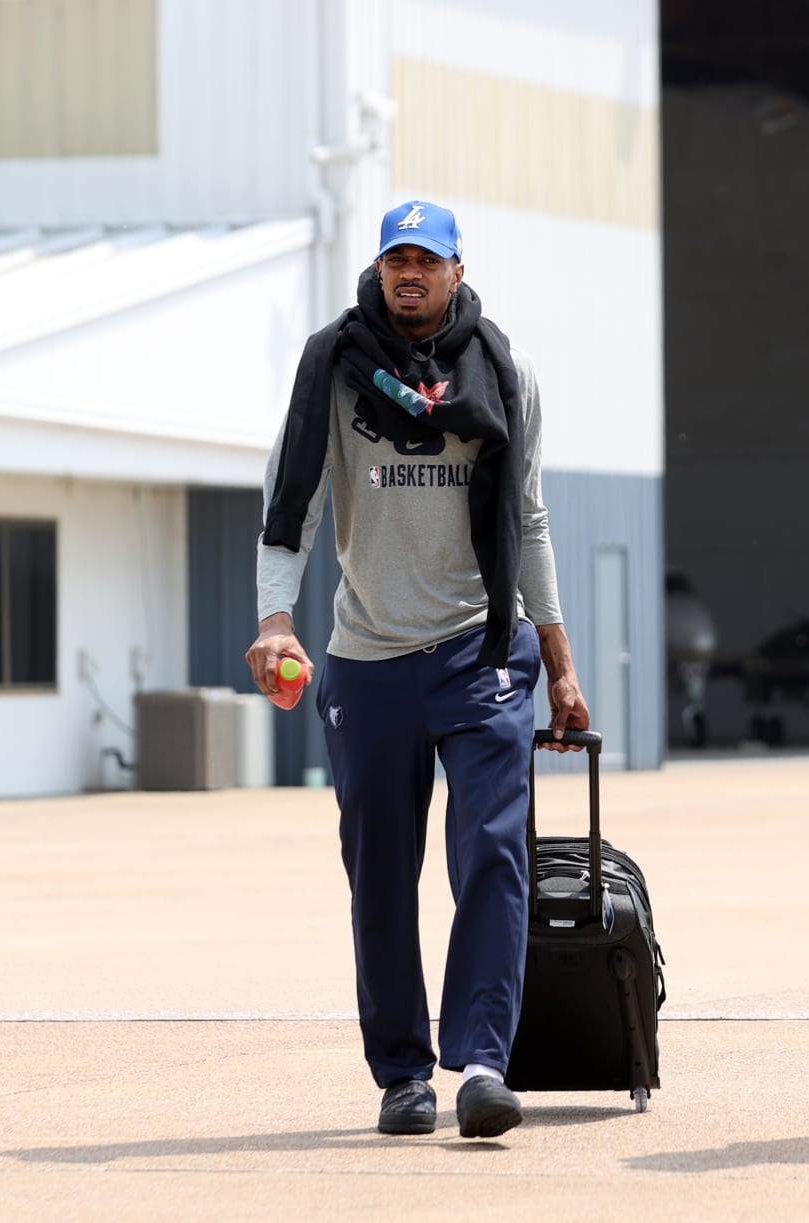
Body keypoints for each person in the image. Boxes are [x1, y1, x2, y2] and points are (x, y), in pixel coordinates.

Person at [248, 200, 589, 1142]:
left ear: (455, 271)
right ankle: (401, 1075)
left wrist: (560, 664)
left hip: (483, 651)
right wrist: (276, 621)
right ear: (379, 269)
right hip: (369, 661)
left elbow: (527, 520)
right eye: (396, 259)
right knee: (381, 873)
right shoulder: (332, 366)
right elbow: (290, 505)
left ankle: (482, 1063)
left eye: (426, 260)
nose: (410, 273)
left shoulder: (505, 370)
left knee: (493, 853)